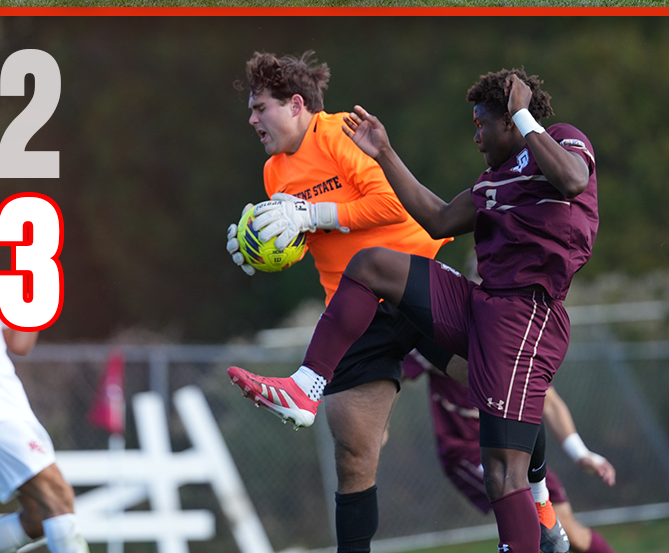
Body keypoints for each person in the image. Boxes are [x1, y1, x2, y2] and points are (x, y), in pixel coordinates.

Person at [231, 69, 599, 553]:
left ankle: (540, 512)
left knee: (499, 471)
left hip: (527, 318)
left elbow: (572, 179)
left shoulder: (562, 141)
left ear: (510, 121)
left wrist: (523, 113)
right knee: (370, 265)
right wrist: (383, 152)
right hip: (481, 303)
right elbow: (438, 217)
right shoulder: (492, 182)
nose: (475, 136)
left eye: (481, 124)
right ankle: (305, 388)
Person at [212, 52, 452, 553]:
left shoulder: (341, 130)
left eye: (260, 107)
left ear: (296, 104)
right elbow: (307, 239)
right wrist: (262, 248)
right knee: (353, 454)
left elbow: (388, 203)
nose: (252, 119)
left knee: (501, 395)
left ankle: (539, 504)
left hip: (413, 277)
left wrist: (310, 211)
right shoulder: (274, 172)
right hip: (354, 312)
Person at [404, 352, 619, 553]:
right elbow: (392, 369)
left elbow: (548, 400)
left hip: (518, 447)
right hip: (469, 449)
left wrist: (579, 452)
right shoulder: (441, 326)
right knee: (527, 527)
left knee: (570, 533)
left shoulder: (516, 336)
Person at [0, 254, 86, 553]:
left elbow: (19, 343)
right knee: (58, 496)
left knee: (37, 518)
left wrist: (38, 286)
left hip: (10, 399)